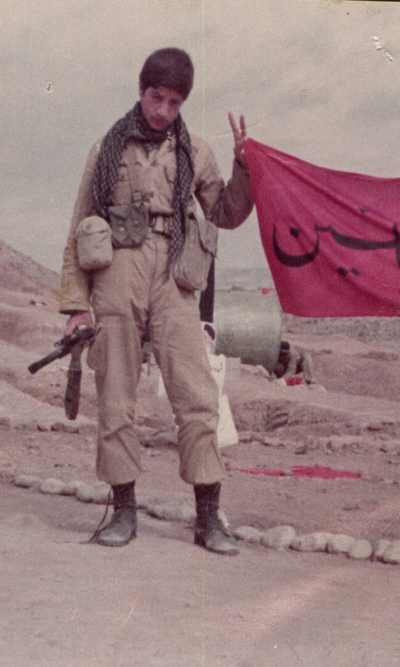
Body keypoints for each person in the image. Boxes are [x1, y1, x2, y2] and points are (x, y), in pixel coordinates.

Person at [58, 48, 253, 555]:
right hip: (117, 271)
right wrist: (77, 305)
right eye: (156, 97)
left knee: (196, 394)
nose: (163, 110)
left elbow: (226, 213)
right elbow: (79, 225)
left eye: (174, 102)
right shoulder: (107, 149)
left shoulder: (198, 152)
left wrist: (245, 165)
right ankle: (123, 512)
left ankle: (208, 518)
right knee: (115, 395)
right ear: (141, 91)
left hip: (174, 273)